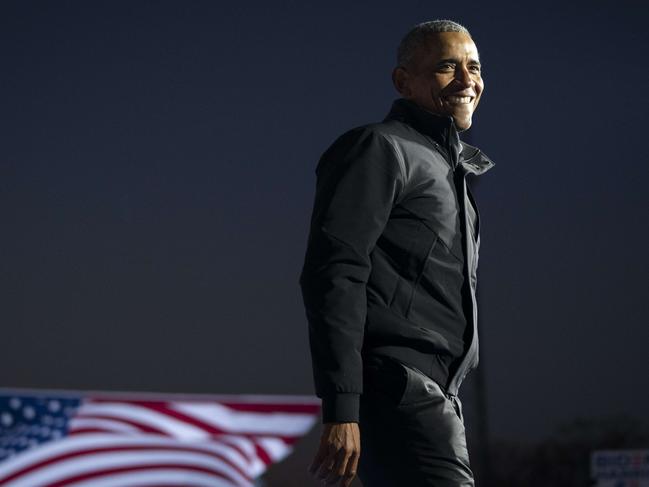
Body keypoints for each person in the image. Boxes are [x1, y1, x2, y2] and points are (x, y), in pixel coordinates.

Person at [298, 19, 495, 487]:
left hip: (440, 394)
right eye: (448, 67)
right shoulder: (378, 147)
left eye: (475, 66)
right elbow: (334, 274)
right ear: (403, 81)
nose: (468, 80)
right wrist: (343, 407)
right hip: (401, 386)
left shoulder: (453, 172)